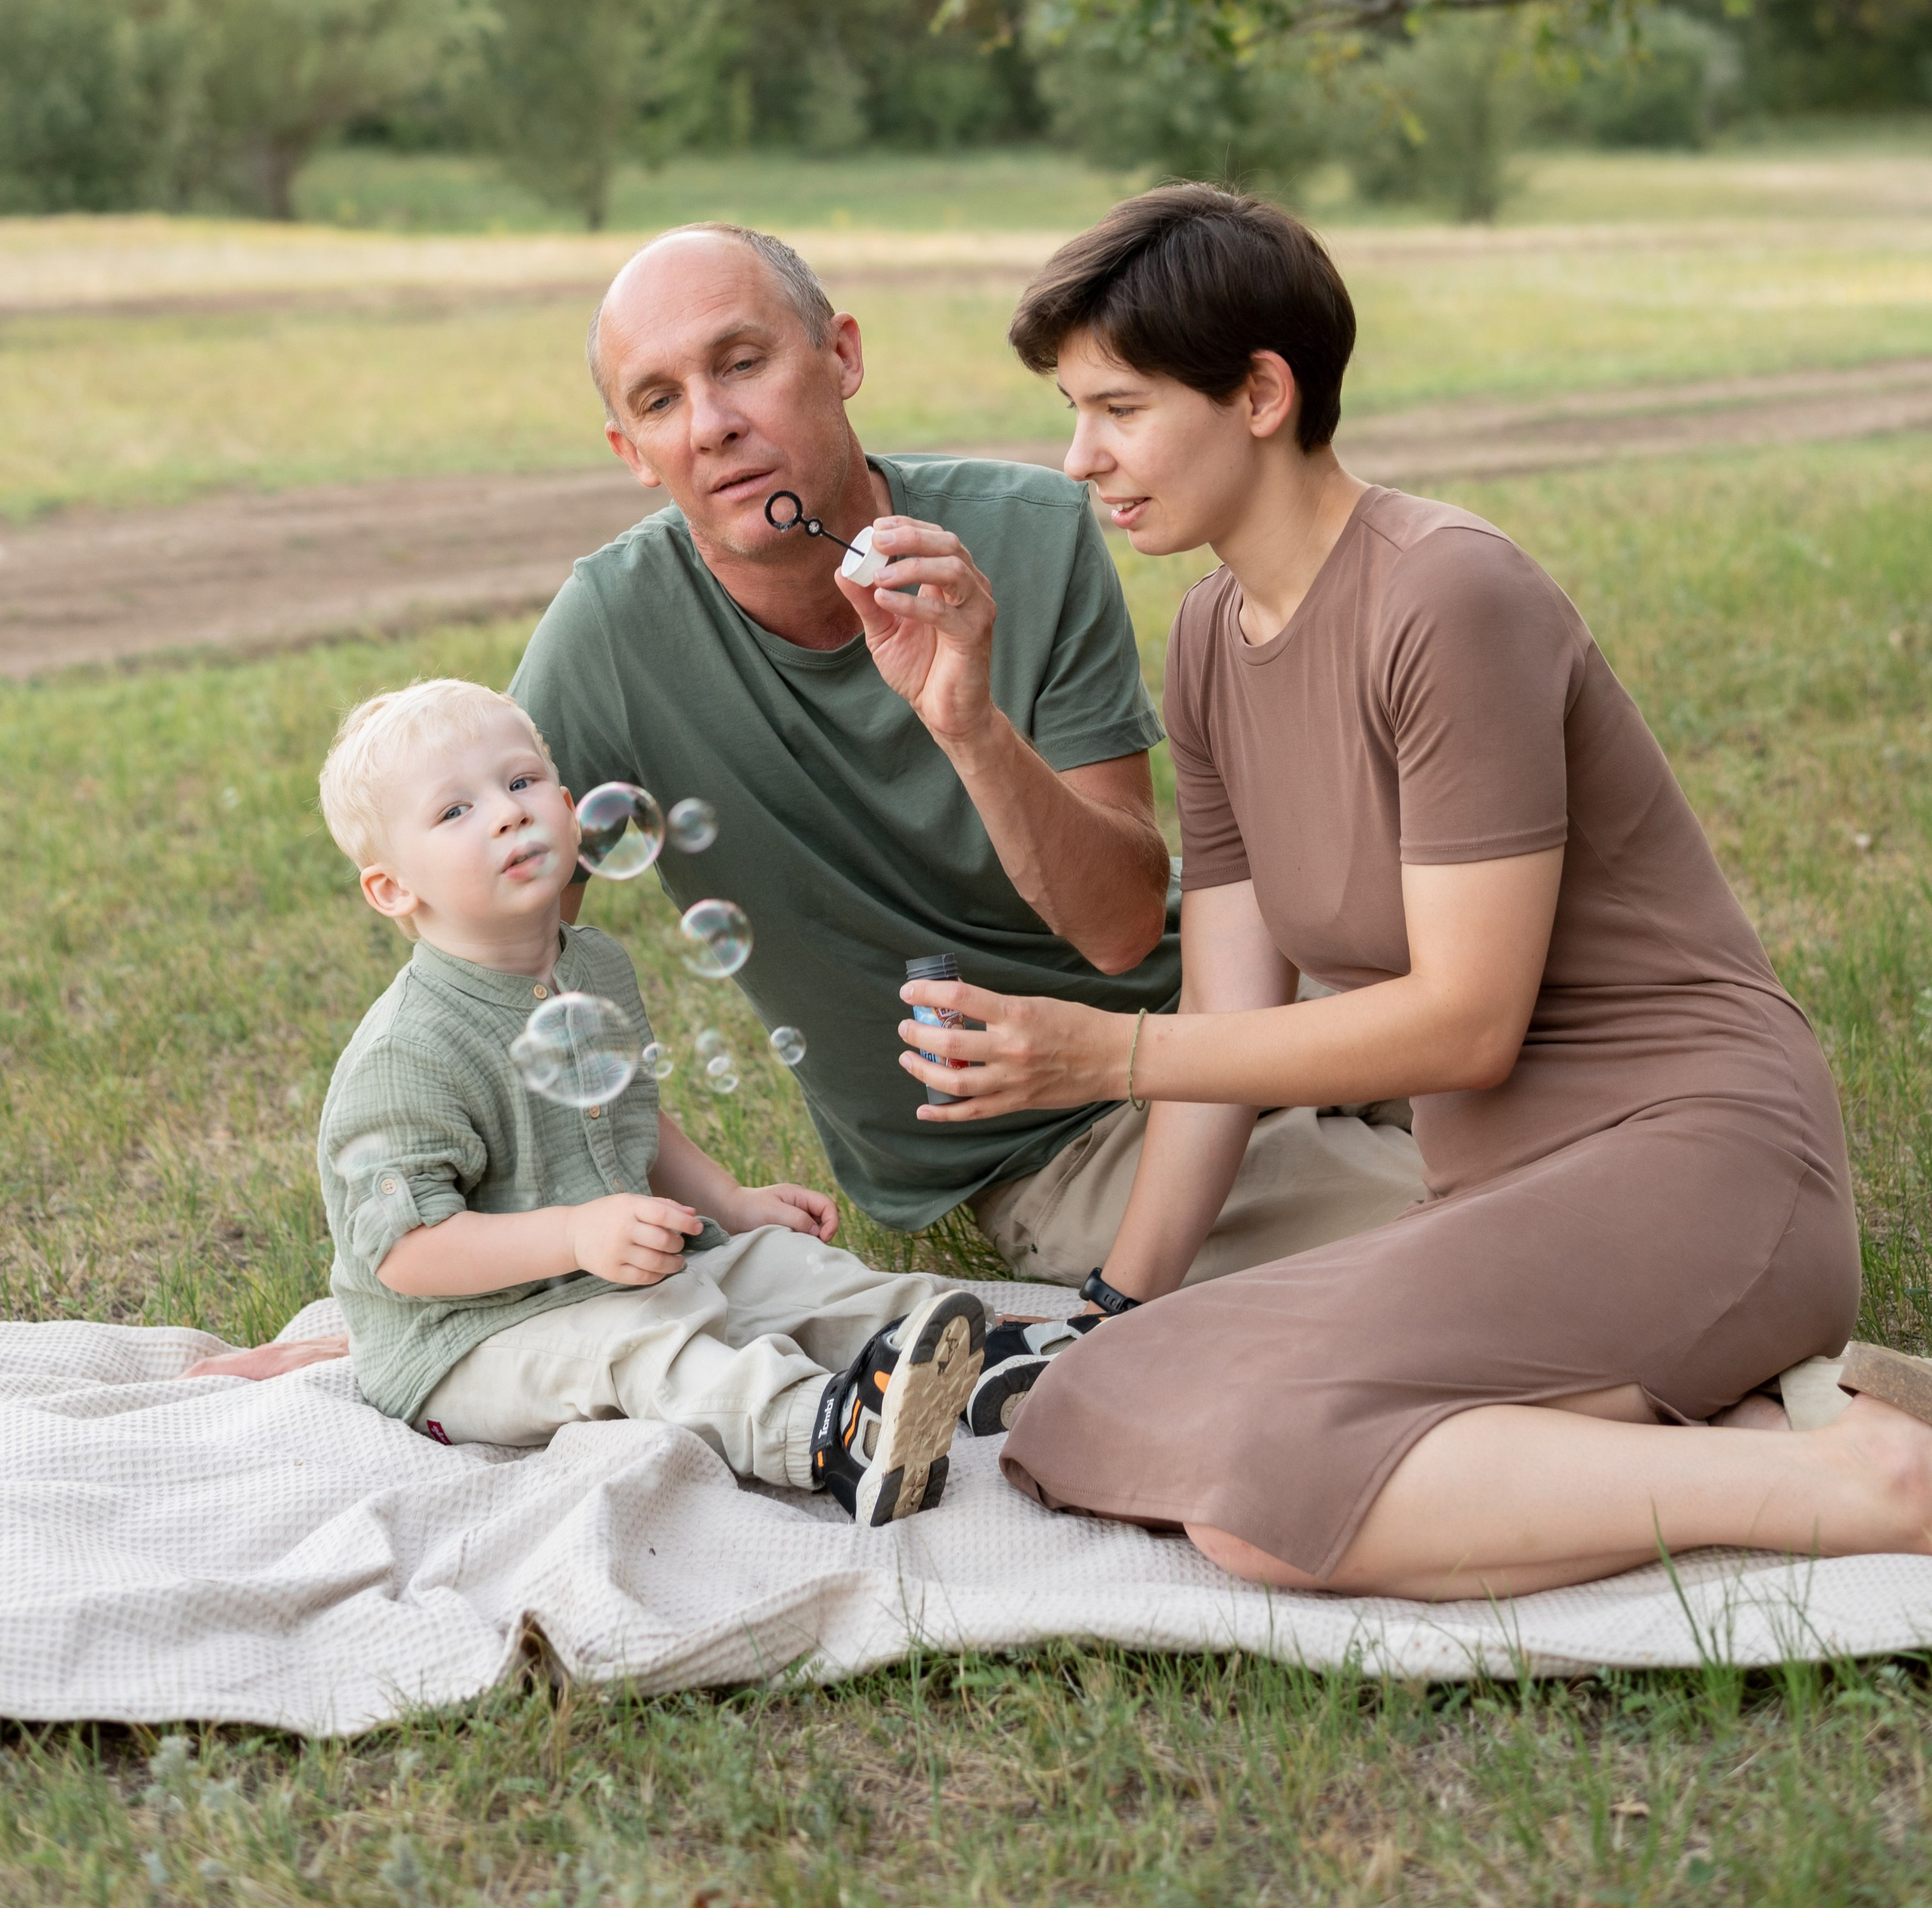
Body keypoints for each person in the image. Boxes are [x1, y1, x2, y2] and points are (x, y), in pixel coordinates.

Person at [893, 183, 1932, 1599]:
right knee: (1099, 1402)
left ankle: (1852, 1485)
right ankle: (1740, 1419)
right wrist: (1111, 1303)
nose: (1080, 458)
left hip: (1694, 1162)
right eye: (1074, 412)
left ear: (1261, 391)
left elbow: (1466, 1024)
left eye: (1119, 409)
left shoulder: (1448, 598)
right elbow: (1230, 1019)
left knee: (1266, 1505)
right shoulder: (1207, 639)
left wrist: (1107, 1051)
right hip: (1497, 1202)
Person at [505, 220, 1420, 1300]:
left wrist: (971, 723)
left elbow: (1123, 926)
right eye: (659, 400)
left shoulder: (1029, 531)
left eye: (741, 362)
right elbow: (483, 957)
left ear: (841, 355)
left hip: (1236, 1008)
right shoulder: (610, 636)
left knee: (1595, 1103)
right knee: (1479, 1223)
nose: (711, 425)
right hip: (1057, 1135)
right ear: (632, 453)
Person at [304, 673, 995, 1524]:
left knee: (780, 1270)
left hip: (612, 1271)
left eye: (521, 784)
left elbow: (630, 1111)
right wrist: (572, 1233)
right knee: (643, 1351)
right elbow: (405, 1253)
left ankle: (975, 1357)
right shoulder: (408, 1051)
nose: (507, 813)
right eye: (454, 811)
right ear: (392, 889)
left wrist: (731, 1203)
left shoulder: (592, 967)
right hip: (469, 1341)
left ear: (566, 805)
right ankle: (827, 1432)